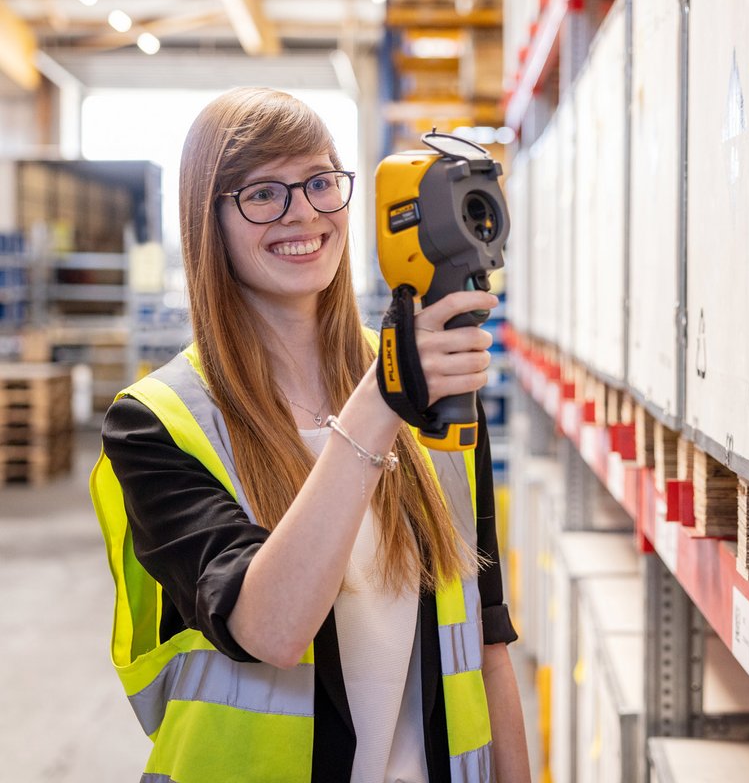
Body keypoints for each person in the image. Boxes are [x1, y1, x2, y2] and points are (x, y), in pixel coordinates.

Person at [91, 86, 531, 783]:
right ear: (210, 223)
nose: (303, 213)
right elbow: (270, 629)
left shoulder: (430, 389)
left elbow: (488, 637)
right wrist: (378, 402)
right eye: (263, 193)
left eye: (321, 183)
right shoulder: (155, 422)